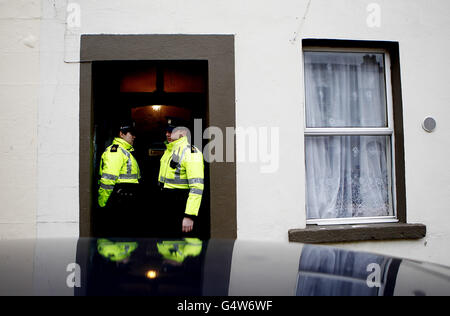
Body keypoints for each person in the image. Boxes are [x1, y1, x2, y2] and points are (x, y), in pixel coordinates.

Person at [158, 118, 204, 237]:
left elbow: (197, 187)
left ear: (183, 133)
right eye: (167, 131)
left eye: (171, 131)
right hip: (167, 204)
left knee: (180, 249)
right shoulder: (169, 151)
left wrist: (189, 215)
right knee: (166, 246)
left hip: (181, 206)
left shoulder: (191, 153)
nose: (167, 134)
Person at [97, 121, 141, 237]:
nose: (134, 137)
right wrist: (103, 204)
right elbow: (108, 181)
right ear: (122, 134)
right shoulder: (116, 151)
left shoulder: (125, 151)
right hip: (118, 201)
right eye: (131, 134)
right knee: (119, 235)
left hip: (124, 200)